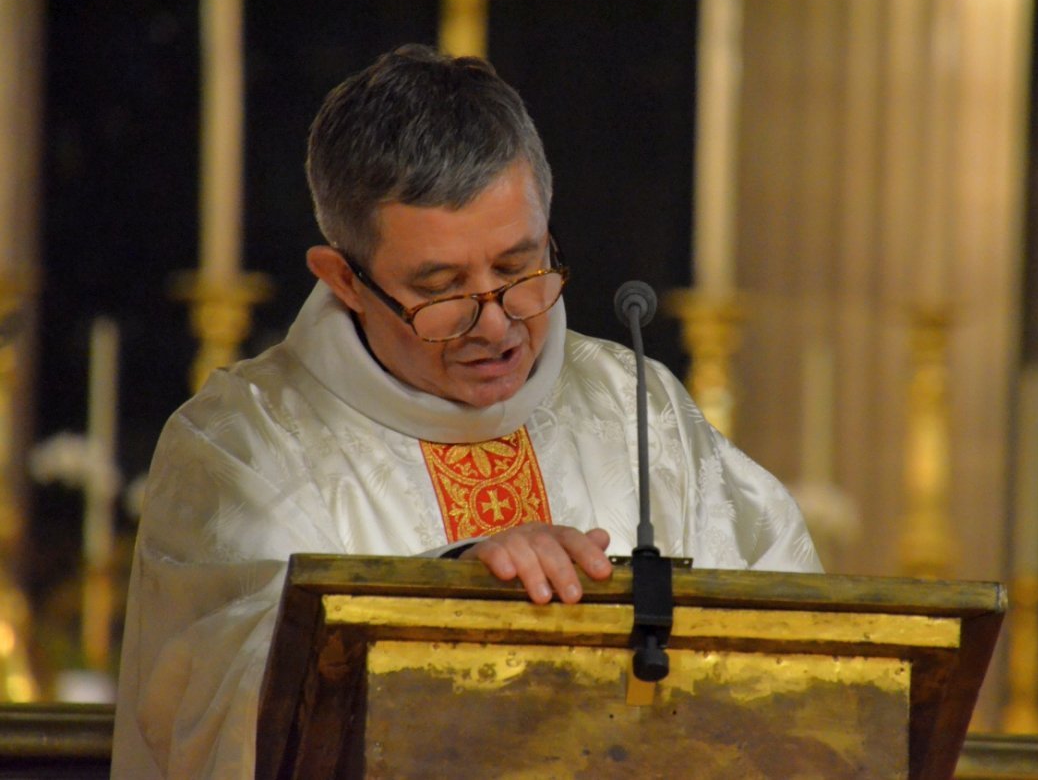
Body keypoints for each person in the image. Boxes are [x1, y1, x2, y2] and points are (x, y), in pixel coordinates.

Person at [112, 44, 822, 778]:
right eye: (442, 289)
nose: (496, 324)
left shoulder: (635, 407)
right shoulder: (241, 443)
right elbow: (219, 709)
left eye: (519, 268)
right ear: (344, 280)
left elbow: (800, 650)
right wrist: (446, 590)